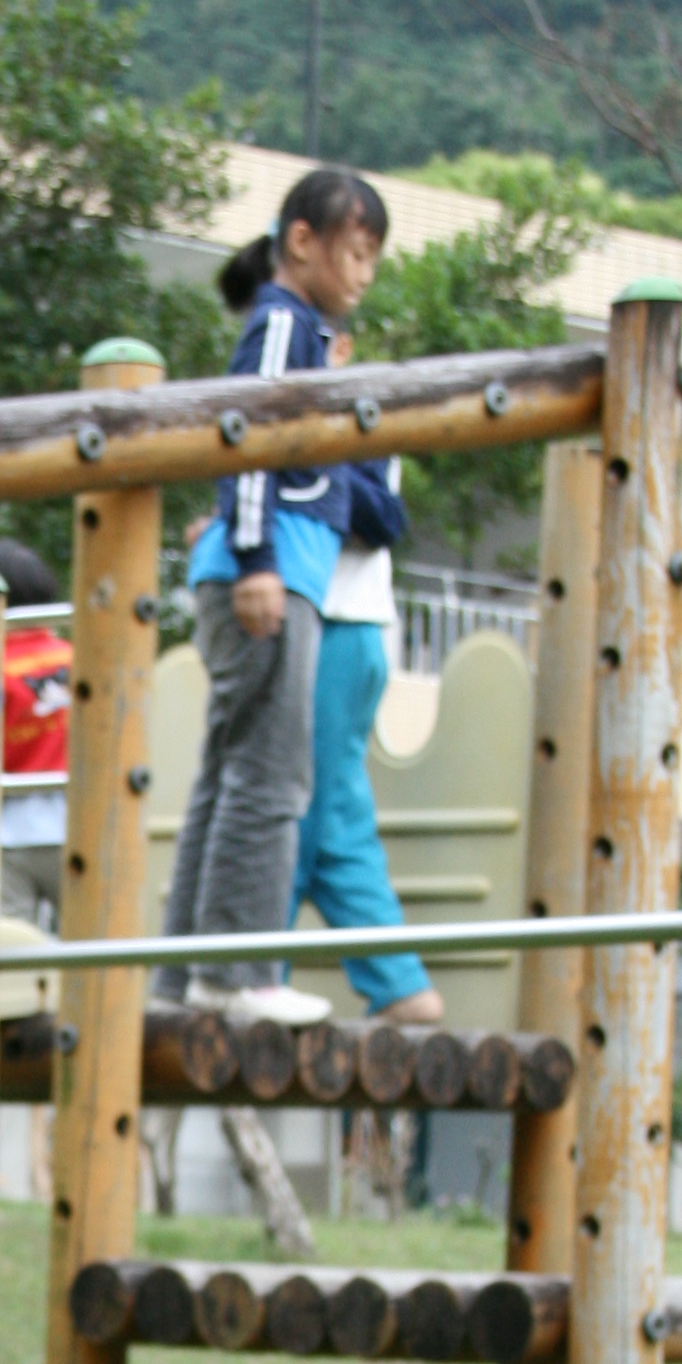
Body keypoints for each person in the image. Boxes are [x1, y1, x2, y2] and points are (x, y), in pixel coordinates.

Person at [157, 166, 389, 1021]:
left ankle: (184, 976)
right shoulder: (287, 327)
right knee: (270, 779)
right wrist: (255, 557)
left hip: (268, 566)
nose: (364, 275)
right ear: (303, 242)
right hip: (269, 573)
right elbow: (244, 440)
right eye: (356, 254)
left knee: (229, 776)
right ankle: (240, 974)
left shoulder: (298, 331)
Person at [292, 439, 446, 1026]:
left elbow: (378, 519)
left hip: (337, 622)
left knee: (289, 805)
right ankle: (398, 980)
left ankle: (253, 969)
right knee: (331, 817)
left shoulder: (348, 426)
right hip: (329, 622)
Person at [0, 535, 69, 928]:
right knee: (94, 947)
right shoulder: (79, 659)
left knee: (10, 951)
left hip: (7, 830)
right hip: (76, 823)